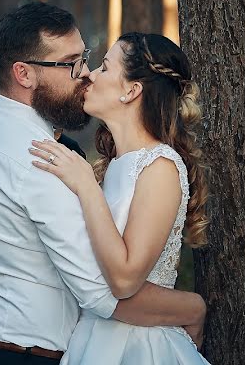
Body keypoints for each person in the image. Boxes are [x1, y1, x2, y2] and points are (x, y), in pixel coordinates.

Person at [0, 3, 206, 365]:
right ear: (24, 74)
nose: (85, 74)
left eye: (89, 60)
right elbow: (100, 292)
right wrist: (193, 307)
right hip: (17, 355)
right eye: (70, 63)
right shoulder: (40, 158)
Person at [29, 31, 211, 364]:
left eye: (105, 68)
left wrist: (86, 187)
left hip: (140, 346)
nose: (90, 75)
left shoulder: (160, 167)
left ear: (131, 91)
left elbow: (125, 279)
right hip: (93, 337)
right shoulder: (112, 167)